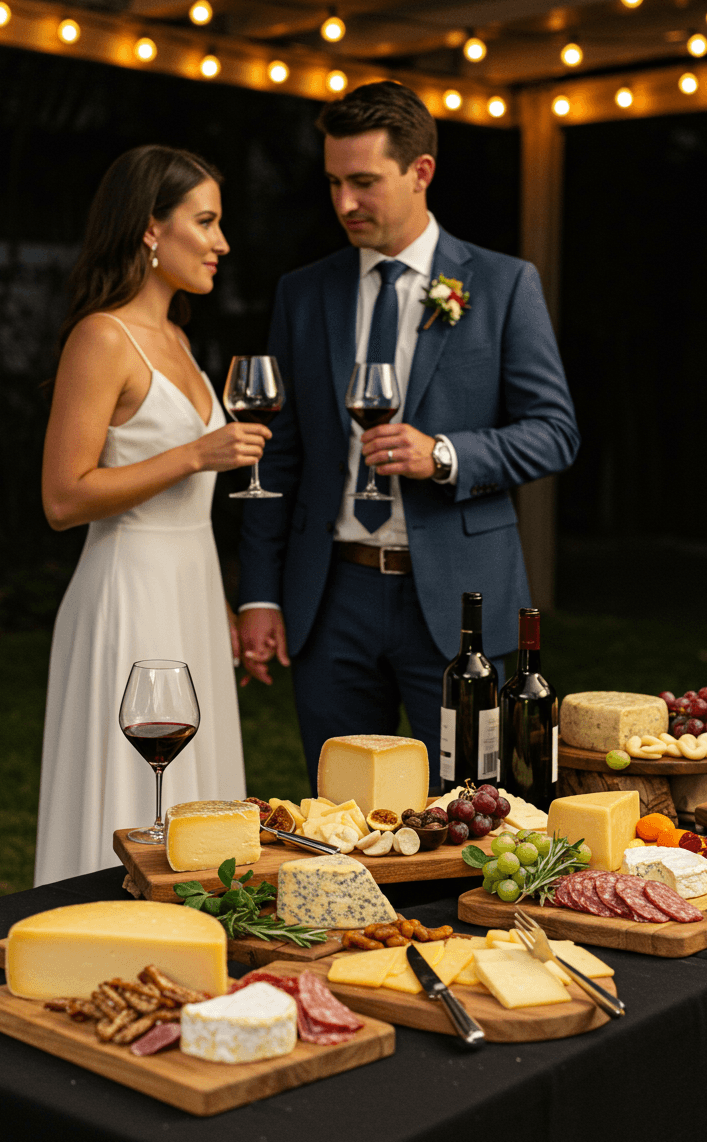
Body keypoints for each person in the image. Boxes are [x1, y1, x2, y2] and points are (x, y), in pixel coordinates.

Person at [236, 81, 580, 790]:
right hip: (330, 598)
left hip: (460, 607)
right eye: (333, 182)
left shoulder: (504, 284)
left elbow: (555, 433)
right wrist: (260, 594)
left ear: (421, 171)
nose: (343, 203)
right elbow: (284, 452)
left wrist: (445, 455)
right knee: (338, 818)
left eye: (364, 182)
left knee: (477, 812)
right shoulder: (304, 293)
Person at [34, 145, 269, 884]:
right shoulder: (103, 337)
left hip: (192, 593)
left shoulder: (182, 344)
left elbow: (189, 507)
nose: (221, 243)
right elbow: (64, 498)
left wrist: (223, 605)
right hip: (128, 594)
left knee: (199, 805)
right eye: (205, 221)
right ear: (149, 228)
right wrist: (196, 455)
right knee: (133, 791)